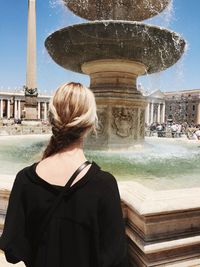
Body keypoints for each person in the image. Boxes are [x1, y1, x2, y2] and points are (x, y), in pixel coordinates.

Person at [0, 82, 129, 267]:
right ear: (91, 124)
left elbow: (13, 252)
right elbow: (116, 259)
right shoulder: (104, 185)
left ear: (52, 120)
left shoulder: (25, 180)